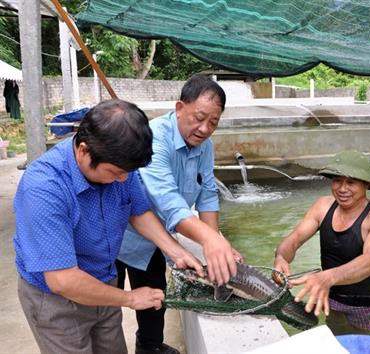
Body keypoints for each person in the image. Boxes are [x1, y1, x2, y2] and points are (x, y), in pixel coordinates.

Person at [13, 99, 204, 354]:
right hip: (56, 301)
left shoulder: (121, 167)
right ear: (83, 151)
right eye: (115, 172)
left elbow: (138, 211)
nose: (123, 179)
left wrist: (177, 252)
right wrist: (130, 298)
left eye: (128, 172)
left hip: (104, 282)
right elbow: (62, 280)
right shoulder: (43, 188)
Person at [116, 75, 241, 354]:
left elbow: (207, 193)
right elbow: (167, 200)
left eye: (213, 123)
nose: (204, 128)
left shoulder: (204, 145)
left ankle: (149, 347)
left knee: (155, 296)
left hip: (155, 239)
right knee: (108, 305)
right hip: (117, 235)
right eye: (199, 118)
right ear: (179, 108)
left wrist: (215, 242)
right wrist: (209, 240)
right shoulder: (153, 137)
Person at [274, 150, 370, 335]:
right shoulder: (323, 206)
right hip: (329, 294)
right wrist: (281, 257)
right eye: (337, 180)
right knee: (335, 335)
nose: (342, 189)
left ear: (366, 184)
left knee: (357, 346)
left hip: (363, 303)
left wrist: (326, 278)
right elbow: (295, 239)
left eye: (351, 182)